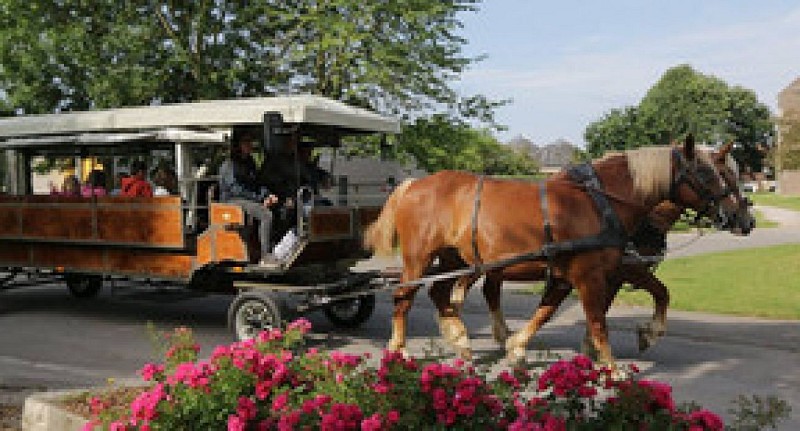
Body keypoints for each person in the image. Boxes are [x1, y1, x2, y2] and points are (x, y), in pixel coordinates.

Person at [219, 131, 279, 265]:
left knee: (279, 209)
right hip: (231, 200)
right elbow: (236, 190)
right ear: (238, 145)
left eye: (250, 142)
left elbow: (257, 182)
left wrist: (268, 195)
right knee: (266, 215)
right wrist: (259, 199)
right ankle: (266, 256)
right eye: (246, 142)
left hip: (248, 199)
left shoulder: (249, 162)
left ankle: (276, 247)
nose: (250, 145)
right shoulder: (229, 165)